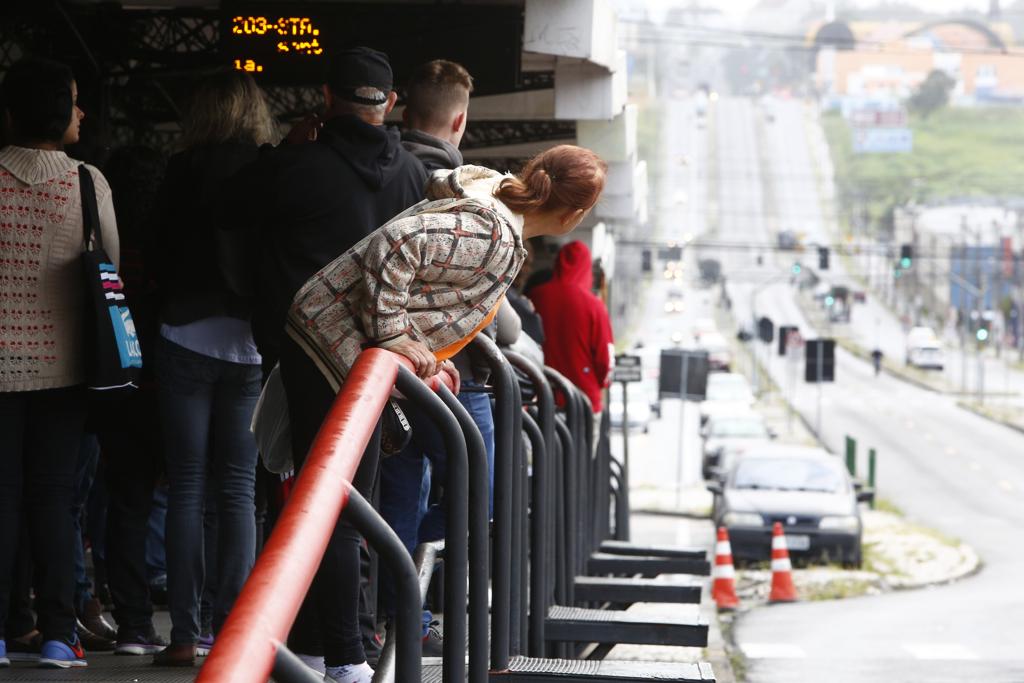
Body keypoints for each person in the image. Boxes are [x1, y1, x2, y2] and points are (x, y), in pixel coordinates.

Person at [282, 145, 606, 683]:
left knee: (339, 506)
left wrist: (424, 351)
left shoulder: (494, 210)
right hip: (335, 347)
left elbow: (425, 288)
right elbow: (394, 246)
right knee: (344, 510)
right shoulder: (495, 233)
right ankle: (343, 659)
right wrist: (392, 333)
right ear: (575, 215)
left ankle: (318, 650)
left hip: (329, 340)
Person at [148, 71, 275, 667]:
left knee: (186, 486)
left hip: (183, 335)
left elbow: (156, 252)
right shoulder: (268, 171)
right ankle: (232, 633)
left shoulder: (180, 170)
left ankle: (182, 634)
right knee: (238, 490)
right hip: (248, 343)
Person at [0, 57, 118, 669]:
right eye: (74, 101)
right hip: (65, 366)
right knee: (52, 497)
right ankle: (56, 634)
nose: (82, 112)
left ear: (10, 113)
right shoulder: (87, 183)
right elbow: (109, 267)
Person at [224, 46, 427, 374]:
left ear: (328, 95)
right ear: (390, 102)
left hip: (297, 353)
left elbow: (226, 209)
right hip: (377, 361)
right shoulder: (415, 173)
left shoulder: (292, 166)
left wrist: (284, 149)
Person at [96, 144, 170, 656]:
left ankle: (134, 624)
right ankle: (197, 622)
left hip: (116, 379)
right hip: (170, 379)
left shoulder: (108, 238)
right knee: (190, 496)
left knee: (126, 502)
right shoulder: (169, 234)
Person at [529, 240, 614, 419]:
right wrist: (602, 383)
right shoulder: (594, 306)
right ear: (587, 268)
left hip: (543, 396)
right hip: (584, 398)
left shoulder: (536, 296)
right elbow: (605, 359)